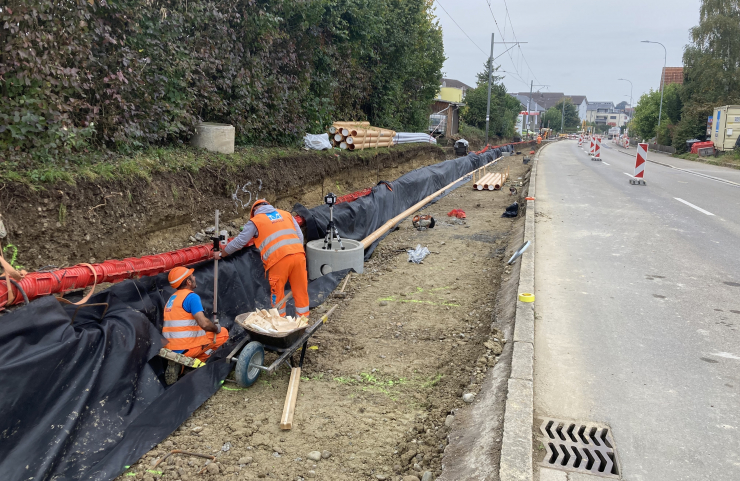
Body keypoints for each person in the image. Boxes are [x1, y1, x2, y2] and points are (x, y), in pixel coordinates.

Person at [216, 199, 309, 318]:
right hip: (299, 256)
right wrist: (296, 251)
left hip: (278, 260)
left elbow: (240, 242)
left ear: (255, 210)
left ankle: (281, 323)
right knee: (301, 291)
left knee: (278, 293)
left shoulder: (256, 221)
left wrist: (221, 254)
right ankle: (303, 321)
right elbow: (299, 235)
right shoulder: (286, 214)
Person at [163, 266, 229, 361]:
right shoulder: (191, 297)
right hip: (186, 348)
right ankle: (198, 362)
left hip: (169, 349)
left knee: (205, 336)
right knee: (223, 333)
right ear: (188, 282)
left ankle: (183, 366)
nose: (195, 278)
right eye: (192, 276)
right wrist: (216, 328)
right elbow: (204, 324)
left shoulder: (172, 298)